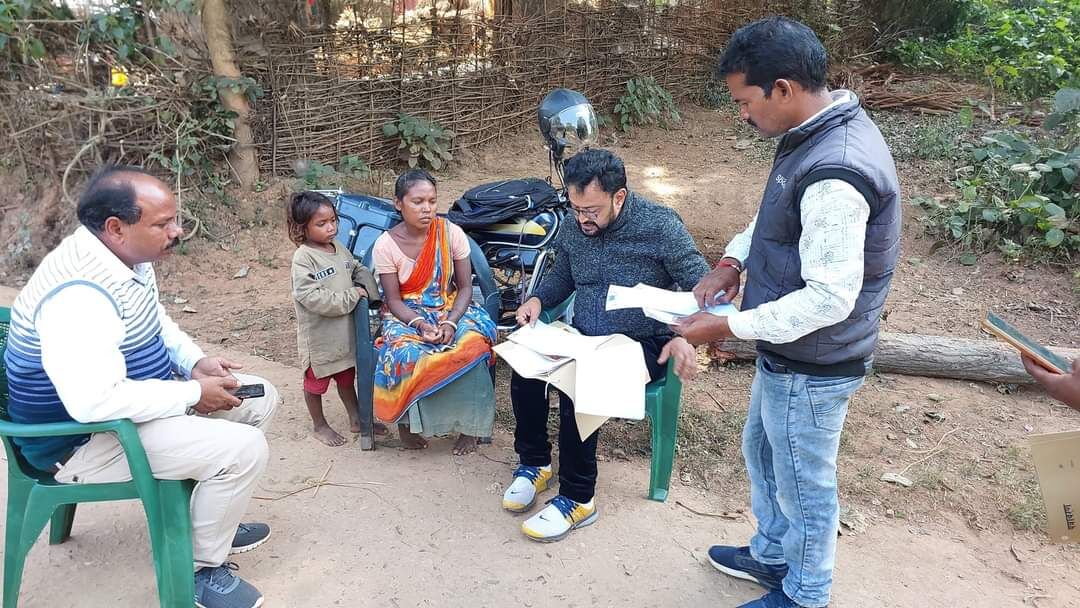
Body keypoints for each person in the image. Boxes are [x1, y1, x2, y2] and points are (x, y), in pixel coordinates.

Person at [672, 18, 901, 608]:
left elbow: (829, 299)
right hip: (790, 350)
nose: (742, 114)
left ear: (782, 89)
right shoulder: (813, 133)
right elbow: (776, 217)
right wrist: (732, 260)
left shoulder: (837, 170)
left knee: (803, 480)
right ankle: (774, 554)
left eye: (744, 101)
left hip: (815, 362)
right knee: (765, 453)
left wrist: (726, 324)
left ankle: (806, 592)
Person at [3, 165, 281, 608]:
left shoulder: (125, 258)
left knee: (258, 397)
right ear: (116, 228)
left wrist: (194, 362)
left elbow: (154, 320)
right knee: (243, 449)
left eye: (175, 219)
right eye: (163, 224)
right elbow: (94, 402)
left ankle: (211, 521)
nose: (178, 231)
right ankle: (197, 572)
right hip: (83, 441)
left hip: (127, 406)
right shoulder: (78, 297)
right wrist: (193, 394)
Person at [505, 148, 707, 542]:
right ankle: (535, 463)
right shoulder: (574, 224)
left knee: (583, 379)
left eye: (592, 210)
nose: (582, 219)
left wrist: (685, 336)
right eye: (576, 208)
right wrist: (538, 301)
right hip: (584, 337)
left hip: (645, 343)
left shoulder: (660, 226)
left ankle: (578, 498)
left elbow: (703, 287)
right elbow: (564, 274)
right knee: (524, 359)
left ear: (619, 197)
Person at [371, 169, 497, 455]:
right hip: (406, 314)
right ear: (398, 203)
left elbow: (465, 288)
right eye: (417, 202)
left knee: (473, 345)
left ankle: (469, 427)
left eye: (431, 201)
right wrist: (419, 325)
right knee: (405, 353)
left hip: (449, 307)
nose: (426, 208)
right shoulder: (385, 245)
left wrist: (451, 323)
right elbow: (393, 300)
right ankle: (407, 426)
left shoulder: (450, 233)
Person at [287, 191, 384, 446]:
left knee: (345, 378)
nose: (331, 228)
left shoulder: (337, 247)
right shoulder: (303, 258)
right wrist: (353, 296)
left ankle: (357, 419)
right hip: (319, 339)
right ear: (302, 228)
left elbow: (354, 267)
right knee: (315, 384)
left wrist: (371, 292)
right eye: (321, 224)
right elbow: (312, 298)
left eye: (333, 220)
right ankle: (319, 425)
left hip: (343, 335)